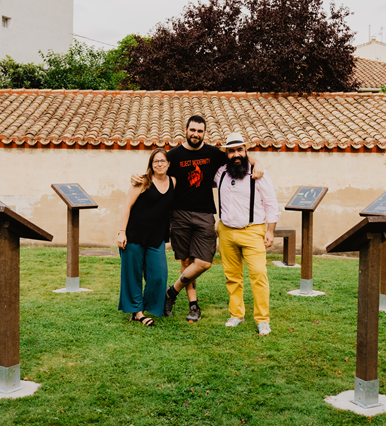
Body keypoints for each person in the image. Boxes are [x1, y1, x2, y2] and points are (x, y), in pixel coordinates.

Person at [135, 115, 263, 322]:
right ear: (186, 129)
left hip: (205, 214)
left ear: (204, 133)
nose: (196, 134)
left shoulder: (213, 153)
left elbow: (237, 154)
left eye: (200, 131)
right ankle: (193, 306)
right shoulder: (173, 155)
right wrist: (138, 177)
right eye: (192, 130)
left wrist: (257, 163)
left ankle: (171, 292)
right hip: (179, 214)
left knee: (204, 262)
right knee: (186, 261)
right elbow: (156, 171)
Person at [214, 132, 280, 336]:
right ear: (226, 154)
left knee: (258, 275)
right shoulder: (220, 173)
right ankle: (236, 314)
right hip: (226, 231)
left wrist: (270, 231)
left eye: (239, 150)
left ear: (246, 151)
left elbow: (271, 204)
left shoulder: (259, 174)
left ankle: (262, 320)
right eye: (231, 151)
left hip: (252, 231)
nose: (236, 154)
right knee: (232, 277)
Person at [117, 148, 175, 326]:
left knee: (159, 274)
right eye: (156, 161)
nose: (159, 164)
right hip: (134, 235)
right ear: (151, 164)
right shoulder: (142, 182)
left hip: (156, 237)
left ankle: (148, 305)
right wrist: (122, 232)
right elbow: (127, 207)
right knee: (133, 275)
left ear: (168, 164)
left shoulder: (173, 181)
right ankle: (138, 312)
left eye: (162, 161)